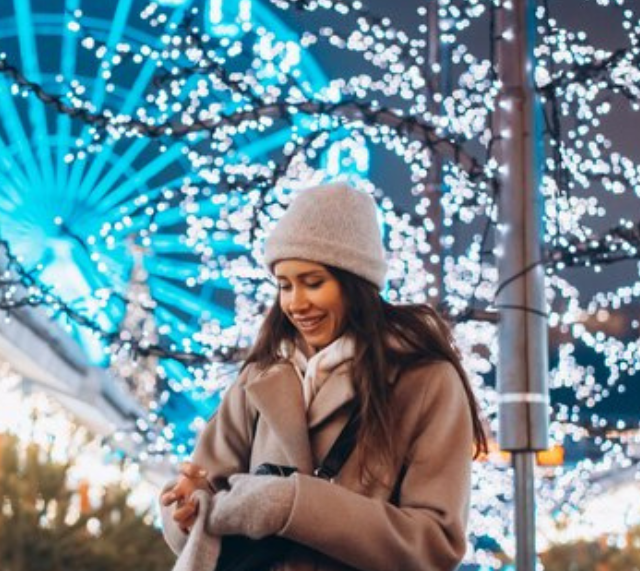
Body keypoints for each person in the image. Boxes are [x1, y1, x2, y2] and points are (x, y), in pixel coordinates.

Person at [158, 182, 489, 571]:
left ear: (355, 283)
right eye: (285, 286)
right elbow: (200, 510)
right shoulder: (258, 380)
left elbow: (435, 544)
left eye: (313, 283)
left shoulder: (425, 382)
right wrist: (189, 505)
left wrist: (294, 505)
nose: (296, 303)